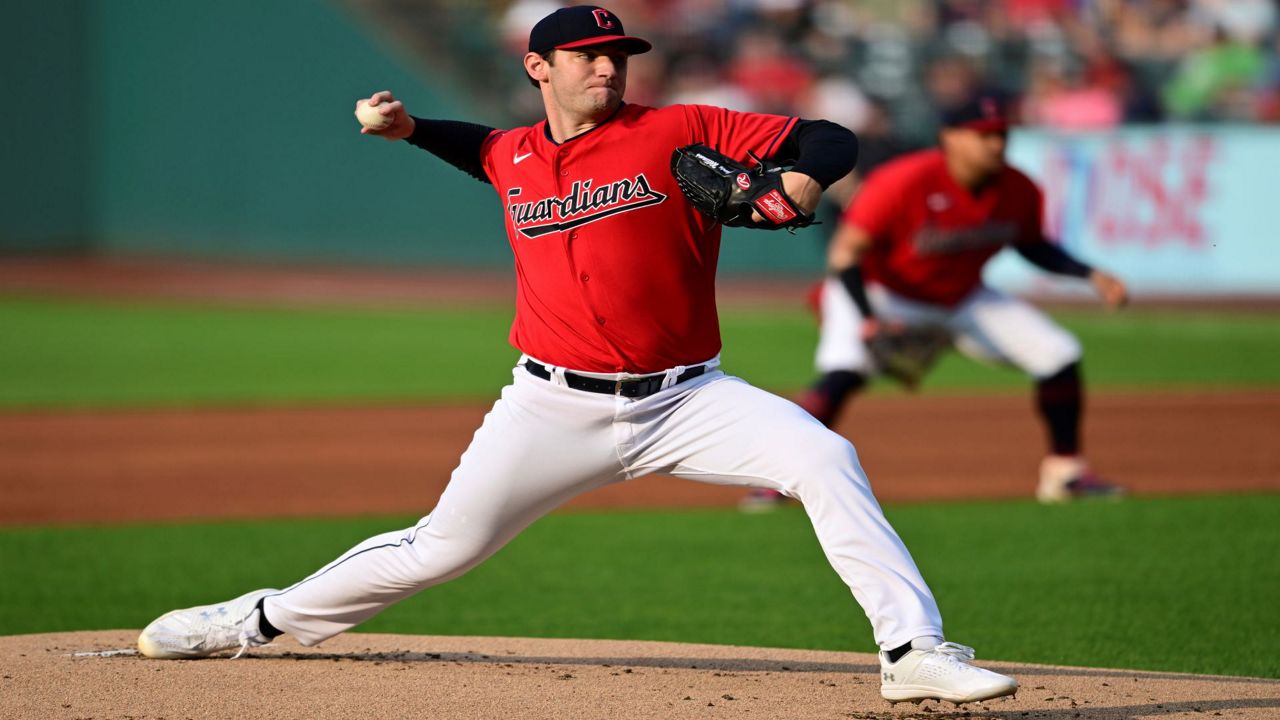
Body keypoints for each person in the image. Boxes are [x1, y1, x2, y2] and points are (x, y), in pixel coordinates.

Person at [136, 6, 1017, 706]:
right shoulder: (513, 154)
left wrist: (800, 178)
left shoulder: (676, 128)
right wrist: (410, 128)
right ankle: (254, 619)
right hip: (551, 406)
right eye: (587, 56)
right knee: (437, 549)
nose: (607, 67)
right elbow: (479, 150)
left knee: (825, 457)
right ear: (538, 67)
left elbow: (829, 135)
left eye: (617, 56)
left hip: (689, 399)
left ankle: (912, 652)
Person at [744, 94, 1127, 510]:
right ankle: (780, 481)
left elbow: (1033, 245)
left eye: (1001, 134)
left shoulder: (1017, 187)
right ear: (950, 138)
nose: (996, 144)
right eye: (983, 135)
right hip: (882, 292)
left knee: (1058, 353)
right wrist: (868, 317)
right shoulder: (902, 180)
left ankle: (1066, 474)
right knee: (844, 372)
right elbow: (845, 254)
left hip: (962, 297)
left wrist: (1090, 275)